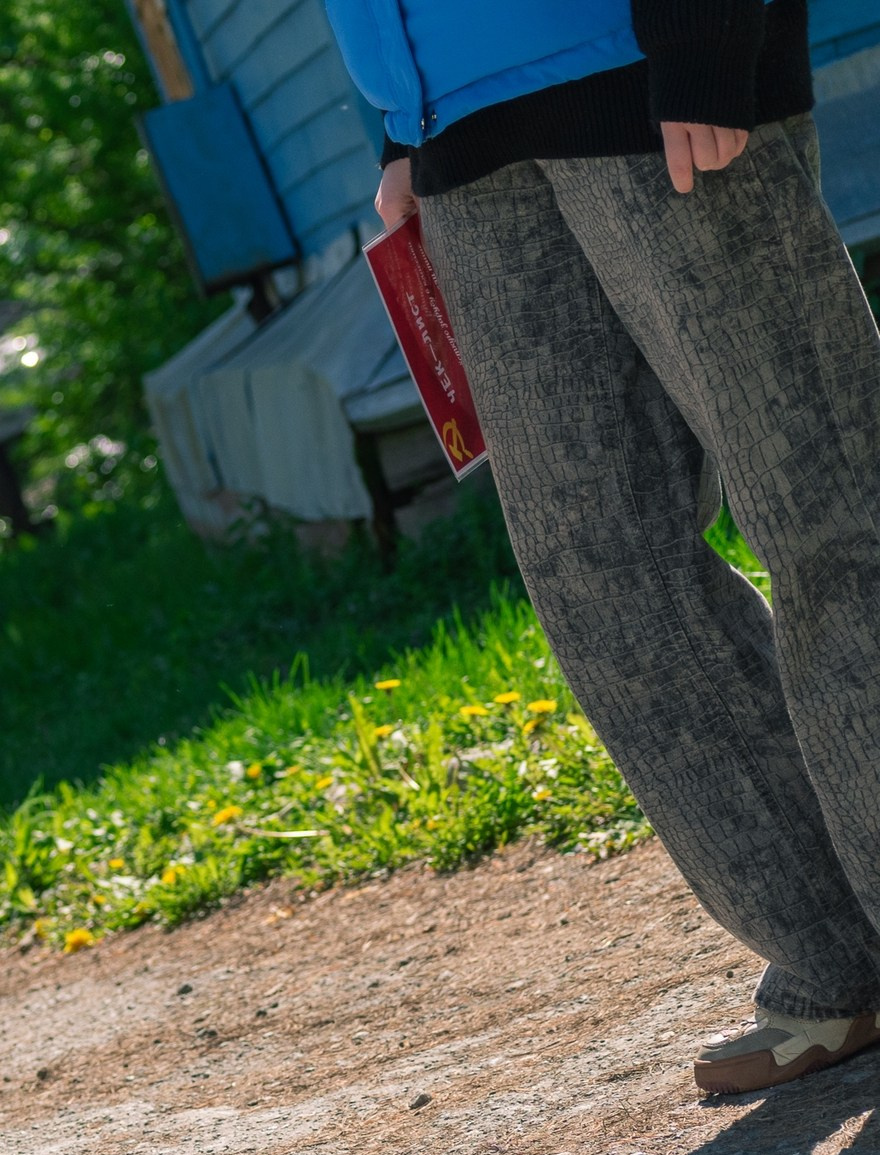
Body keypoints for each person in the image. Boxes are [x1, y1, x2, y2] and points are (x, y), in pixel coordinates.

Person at [334, 0, 880, 1094]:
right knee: (601, 573)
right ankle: (837, 958)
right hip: (458, 129)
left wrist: (707, 37)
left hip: (648, 67)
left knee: (824, 513)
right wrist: (401, 127)